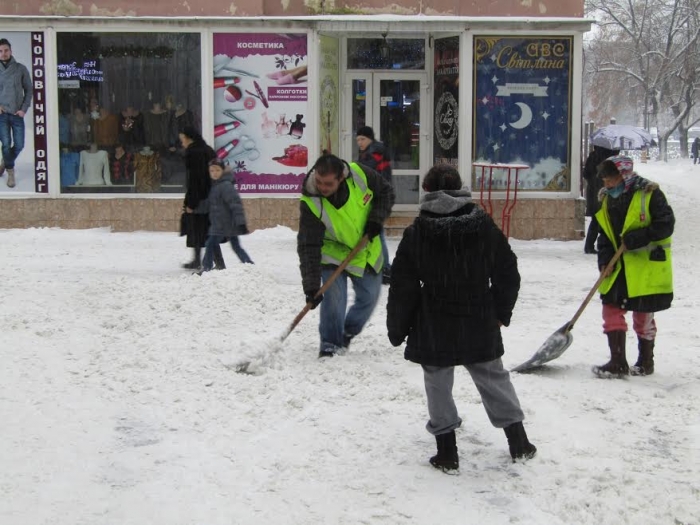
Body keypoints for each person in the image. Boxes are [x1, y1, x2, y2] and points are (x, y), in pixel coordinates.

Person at [386, 164, 536, 473]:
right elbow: (507, 269)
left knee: (437, 382)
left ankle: (447, 453)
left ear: (426, 191)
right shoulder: (482, 226)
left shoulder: (418, 232)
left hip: (434, 319)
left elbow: (404, 285)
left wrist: (398, 327)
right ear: (461, 188)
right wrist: (500, 311)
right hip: (478, 315)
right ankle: (519, 442)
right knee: (493, 378)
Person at [298, 153, 395, 358]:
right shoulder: (311, 201)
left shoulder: (359, 174)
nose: (322, 187)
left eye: (328, 183)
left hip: (365, 247)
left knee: (369, 297)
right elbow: (308, 245)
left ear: (341, 178)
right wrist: (311, 286)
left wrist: (376, 220)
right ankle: (330, 344)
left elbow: (386, 192)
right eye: (319, 182)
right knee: (334, 297)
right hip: (332, 251)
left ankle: (347, 333)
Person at [592, 155, 675, 378]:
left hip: (645, 267)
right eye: (605, 181)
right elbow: (604, 234)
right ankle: (617, 361)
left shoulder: (650, 194)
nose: (607, 184)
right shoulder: (608, 199)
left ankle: (646, 362)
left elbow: (666, 225)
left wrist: (638, 237)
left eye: (610, 179)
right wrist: (604, 260)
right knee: (611, 309)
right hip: (618, 266)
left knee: (643, 315)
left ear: (624, 175)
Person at [198, 158, 253, 273]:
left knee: (210, 244)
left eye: (217, 170)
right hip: (219, 223)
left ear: (222, 171)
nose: (214, 173)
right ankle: (249, 265)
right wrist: (196, 209)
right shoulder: (215, 186)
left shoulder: (226, 186)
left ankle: (206, 268)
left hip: (226, 223)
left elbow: (236, 205)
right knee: (236, 247)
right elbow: (210, 204)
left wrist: (241, 223)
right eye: (212, 171)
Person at [356, 126, 393, 284]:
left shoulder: (373, 154)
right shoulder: (373, 152)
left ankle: (385, 268)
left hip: (375, 198)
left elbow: (363, 174)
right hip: (376, 197)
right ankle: (381, 267)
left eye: (363, 139)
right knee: (376, 233)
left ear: (370, 139)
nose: (360, 142)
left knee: (378, 233)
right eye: (357, 140)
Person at [180, 126, 218, 270]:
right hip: (210, 194)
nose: (182, 143)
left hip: (200, 197)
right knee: (205, 229)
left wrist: (191, 202)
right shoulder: (207, 150)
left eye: (183, 139)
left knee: (200, 229)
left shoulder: (193, 153)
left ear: (189, 139)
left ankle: (214, 262)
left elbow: (195, 179)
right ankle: (202, 260)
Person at [0, 38, 32, 189]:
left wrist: (24, 109)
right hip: (2, 114)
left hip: (17, 114)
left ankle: (5, 163)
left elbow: (29, 90)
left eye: (6, 50)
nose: (3, 53)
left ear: (11, 51)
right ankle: (10, 172)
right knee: (6, 144)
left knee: (19, 144)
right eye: (0, 51)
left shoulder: (20, 69)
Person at [582, 146, 620, 254]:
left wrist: (593, 181)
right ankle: (596, 245)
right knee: (604, 218)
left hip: (593, 190)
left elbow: (585, 174)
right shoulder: (611, 159)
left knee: (597, 218)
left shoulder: (593, 156)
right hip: (606, 191)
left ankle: (591, 245)